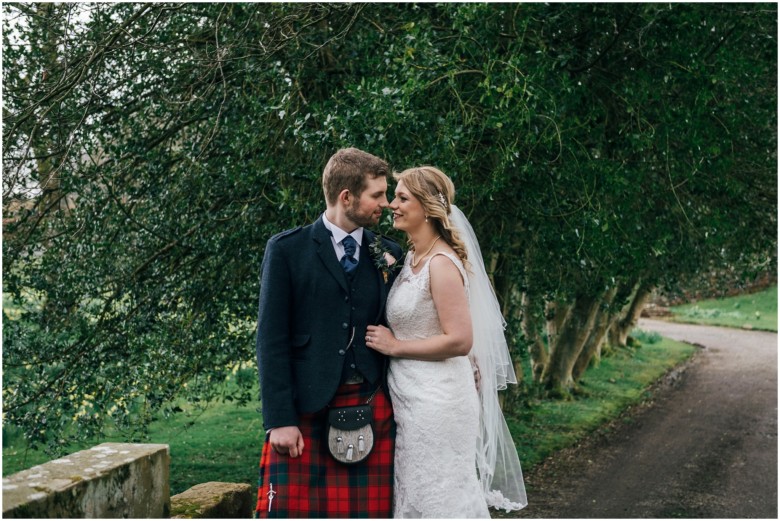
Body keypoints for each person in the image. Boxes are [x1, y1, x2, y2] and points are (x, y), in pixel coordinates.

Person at [366, 166, 528, 518]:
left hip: (438, 403)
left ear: (427, 208)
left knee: (437, 498)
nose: (392, 204)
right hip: (410, 397)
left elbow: (460, 340)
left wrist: (396, 347)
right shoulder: (410, 258)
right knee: (414, 497)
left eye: (402, 198)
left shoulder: (441, 264)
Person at [254, 148, 403, 518]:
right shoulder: (288, 250)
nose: (384, 204)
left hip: (372, 403)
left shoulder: (389, 253)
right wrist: (279, 420)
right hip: (306, 408)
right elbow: (271, 341)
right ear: (346, 197)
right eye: (377, 195)